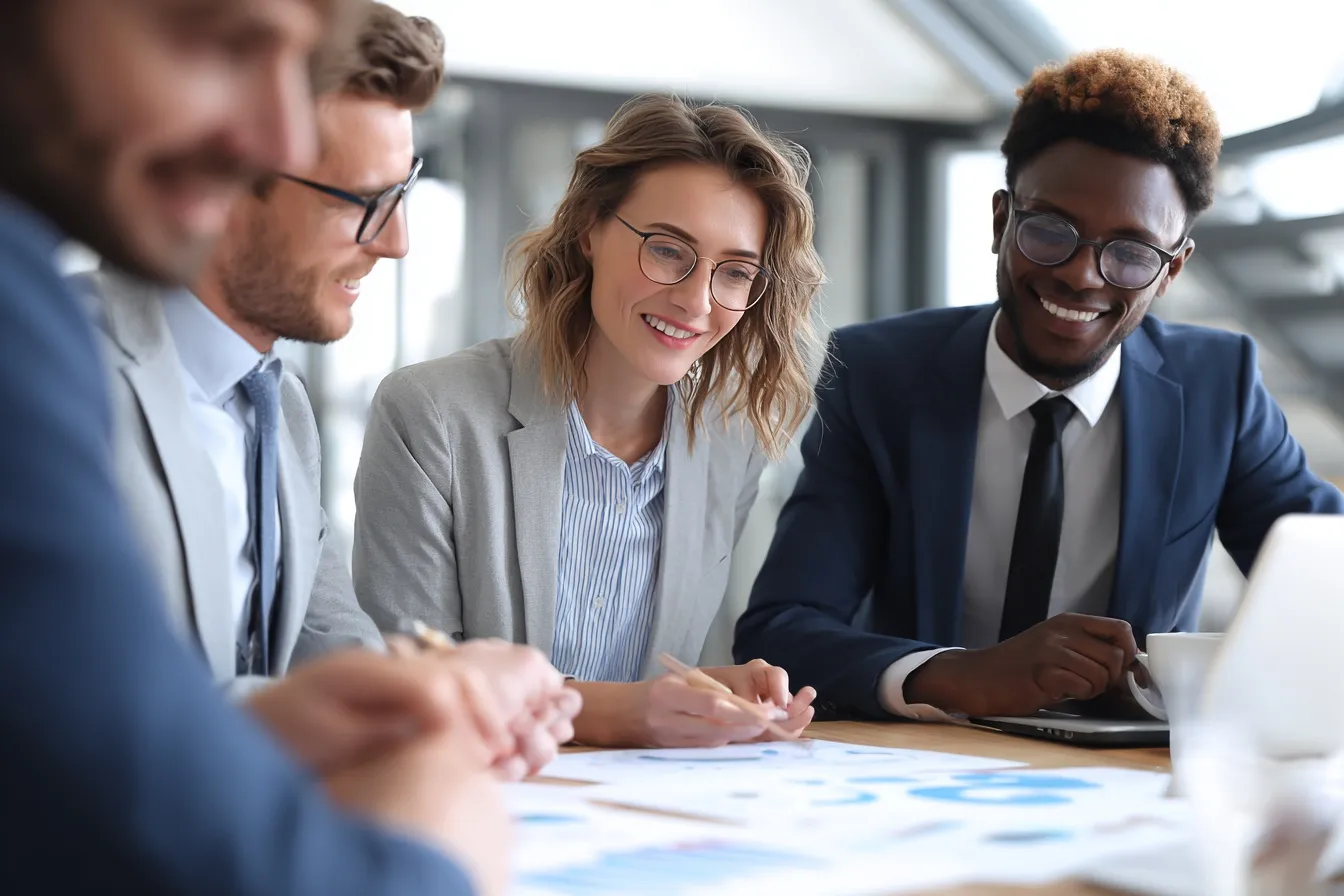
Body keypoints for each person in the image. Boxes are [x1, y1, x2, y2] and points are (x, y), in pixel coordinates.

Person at [0, 1, 562, 893]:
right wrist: (434, 835)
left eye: (406, 193)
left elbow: (329, 647)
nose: (400, 241)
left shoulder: (282, 407)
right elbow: (75, 732)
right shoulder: (53, 354)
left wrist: (433, 703)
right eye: (367, 203)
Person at [735, 49, 1344, 722]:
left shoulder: (1216, 387)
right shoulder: (881, 374)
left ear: (1172, 272)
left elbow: (1324, 581)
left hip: (1126, 778)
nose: (1083, 276)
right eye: (1052, 230)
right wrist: (960, 675)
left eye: (1133, 252)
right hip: (924, 766)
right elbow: (781, 631)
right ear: (1001, 221)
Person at [354, 94, 824, 747]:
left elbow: (649, 675)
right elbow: (410, 686)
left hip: (636, 821)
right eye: (667, 250)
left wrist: (712, 694)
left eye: (735, 272)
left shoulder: (731, 444)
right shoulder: (431, 412)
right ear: (589, 229)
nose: (695, 300)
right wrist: (614, 712)